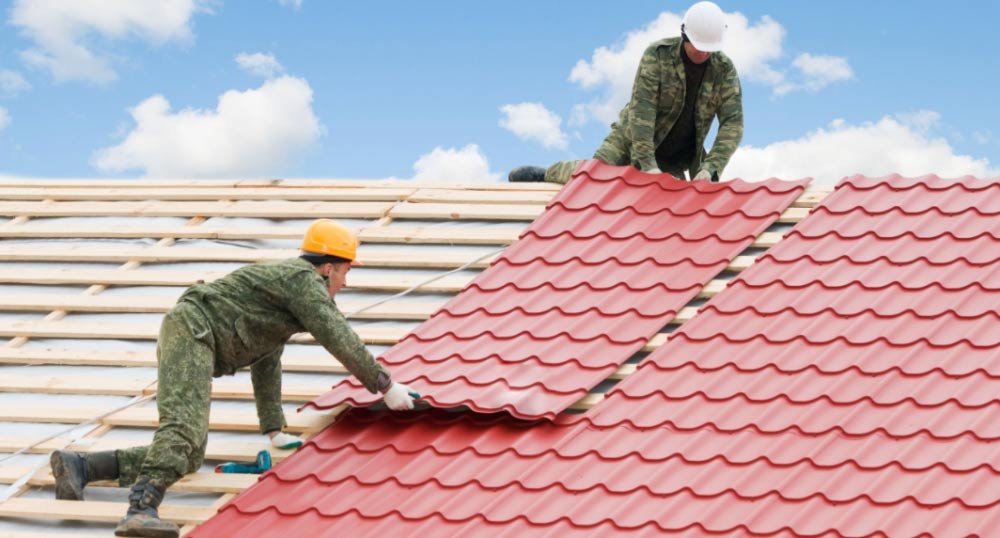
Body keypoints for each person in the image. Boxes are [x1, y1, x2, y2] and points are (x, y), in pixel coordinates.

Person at [48, 219, 417, 538]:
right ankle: (140, 511)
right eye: (346, 271)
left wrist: (273, 427)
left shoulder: (285, 299)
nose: (346, 283)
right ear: (327, 268)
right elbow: (338, 335)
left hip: (195, 336)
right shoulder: (302, 281)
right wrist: (384, 385)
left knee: (190, 456)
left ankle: (81, 466)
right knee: (183, 431)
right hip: (193, 329)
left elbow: (267, 357)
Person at [509, 1, 742, 184]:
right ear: (685, 35)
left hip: (675, 157)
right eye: (699, 47)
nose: (704, 54)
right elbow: (643, 112)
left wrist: (710, 167)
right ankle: (548, 173)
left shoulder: (724, 70)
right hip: (630, 138)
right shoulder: (657, 56)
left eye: (709, 49)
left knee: (667, 204)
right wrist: (648, 165)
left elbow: (733, 123)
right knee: (594, 178)